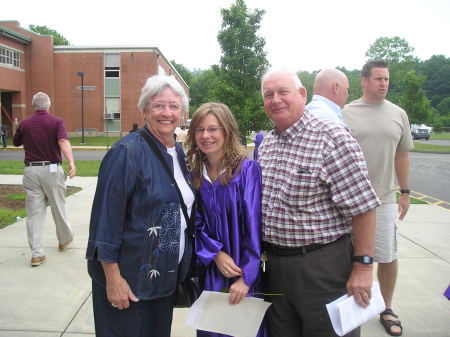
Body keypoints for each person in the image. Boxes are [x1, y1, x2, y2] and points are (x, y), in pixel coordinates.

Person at [258, 68, 381, 337]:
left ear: (302, 94)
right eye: (269, 95)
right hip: (276, 269)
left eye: (283, 92)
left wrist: (362, 267)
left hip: (322, 267)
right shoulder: (266, 145)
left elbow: (364, 208)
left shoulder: (331, 137)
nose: (275, 99)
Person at [86, 75, 195, 337]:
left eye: (173, 106)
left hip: (164, 281)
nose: (166, 113)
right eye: (158, 105)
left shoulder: (180, 154)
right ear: (145, 109)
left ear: (182, 112)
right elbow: (105, 221)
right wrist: (113, 279)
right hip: (130, 283)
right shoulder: (127, 152)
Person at [342, 61, 413, 337]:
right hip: (346, 200)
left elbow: (402, 155)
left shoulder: (398, 114)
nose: (384, 84)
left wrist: (404, 192)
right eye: (379, 79)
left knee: (386, 255)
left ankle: (386, 307)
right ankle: (350, 305)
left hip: (382, 199)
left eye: (387, 79)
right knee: (348, 257)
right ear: (364, 81)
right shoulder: (346, 113)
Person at [185, 102, 266, 337]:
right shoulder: (195, 175)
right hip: (211, 271)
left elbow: (254, 224)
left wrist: (247, 278)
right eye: (199, 130)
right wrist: (215, 254)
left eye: (213, 129)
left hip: (241, 271)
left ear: (227, 131)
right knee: (212, 330)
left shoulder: (247, 170)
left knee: (242, 330)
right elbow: (194, 224)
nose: (205, 136)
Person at [13, 92, 76, 267]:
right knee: (58, 207)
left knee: (34, 213)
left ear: (34, 106)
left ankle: (37, 254)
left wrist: (18, 127)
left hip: (31, 171)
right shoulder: (56, 122)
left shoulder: (25, 124)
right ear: (48, 106)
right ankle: (65, 239)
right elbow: (63, 140)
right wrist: (71, 162)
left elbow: (16, 143)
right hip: (52, 168)